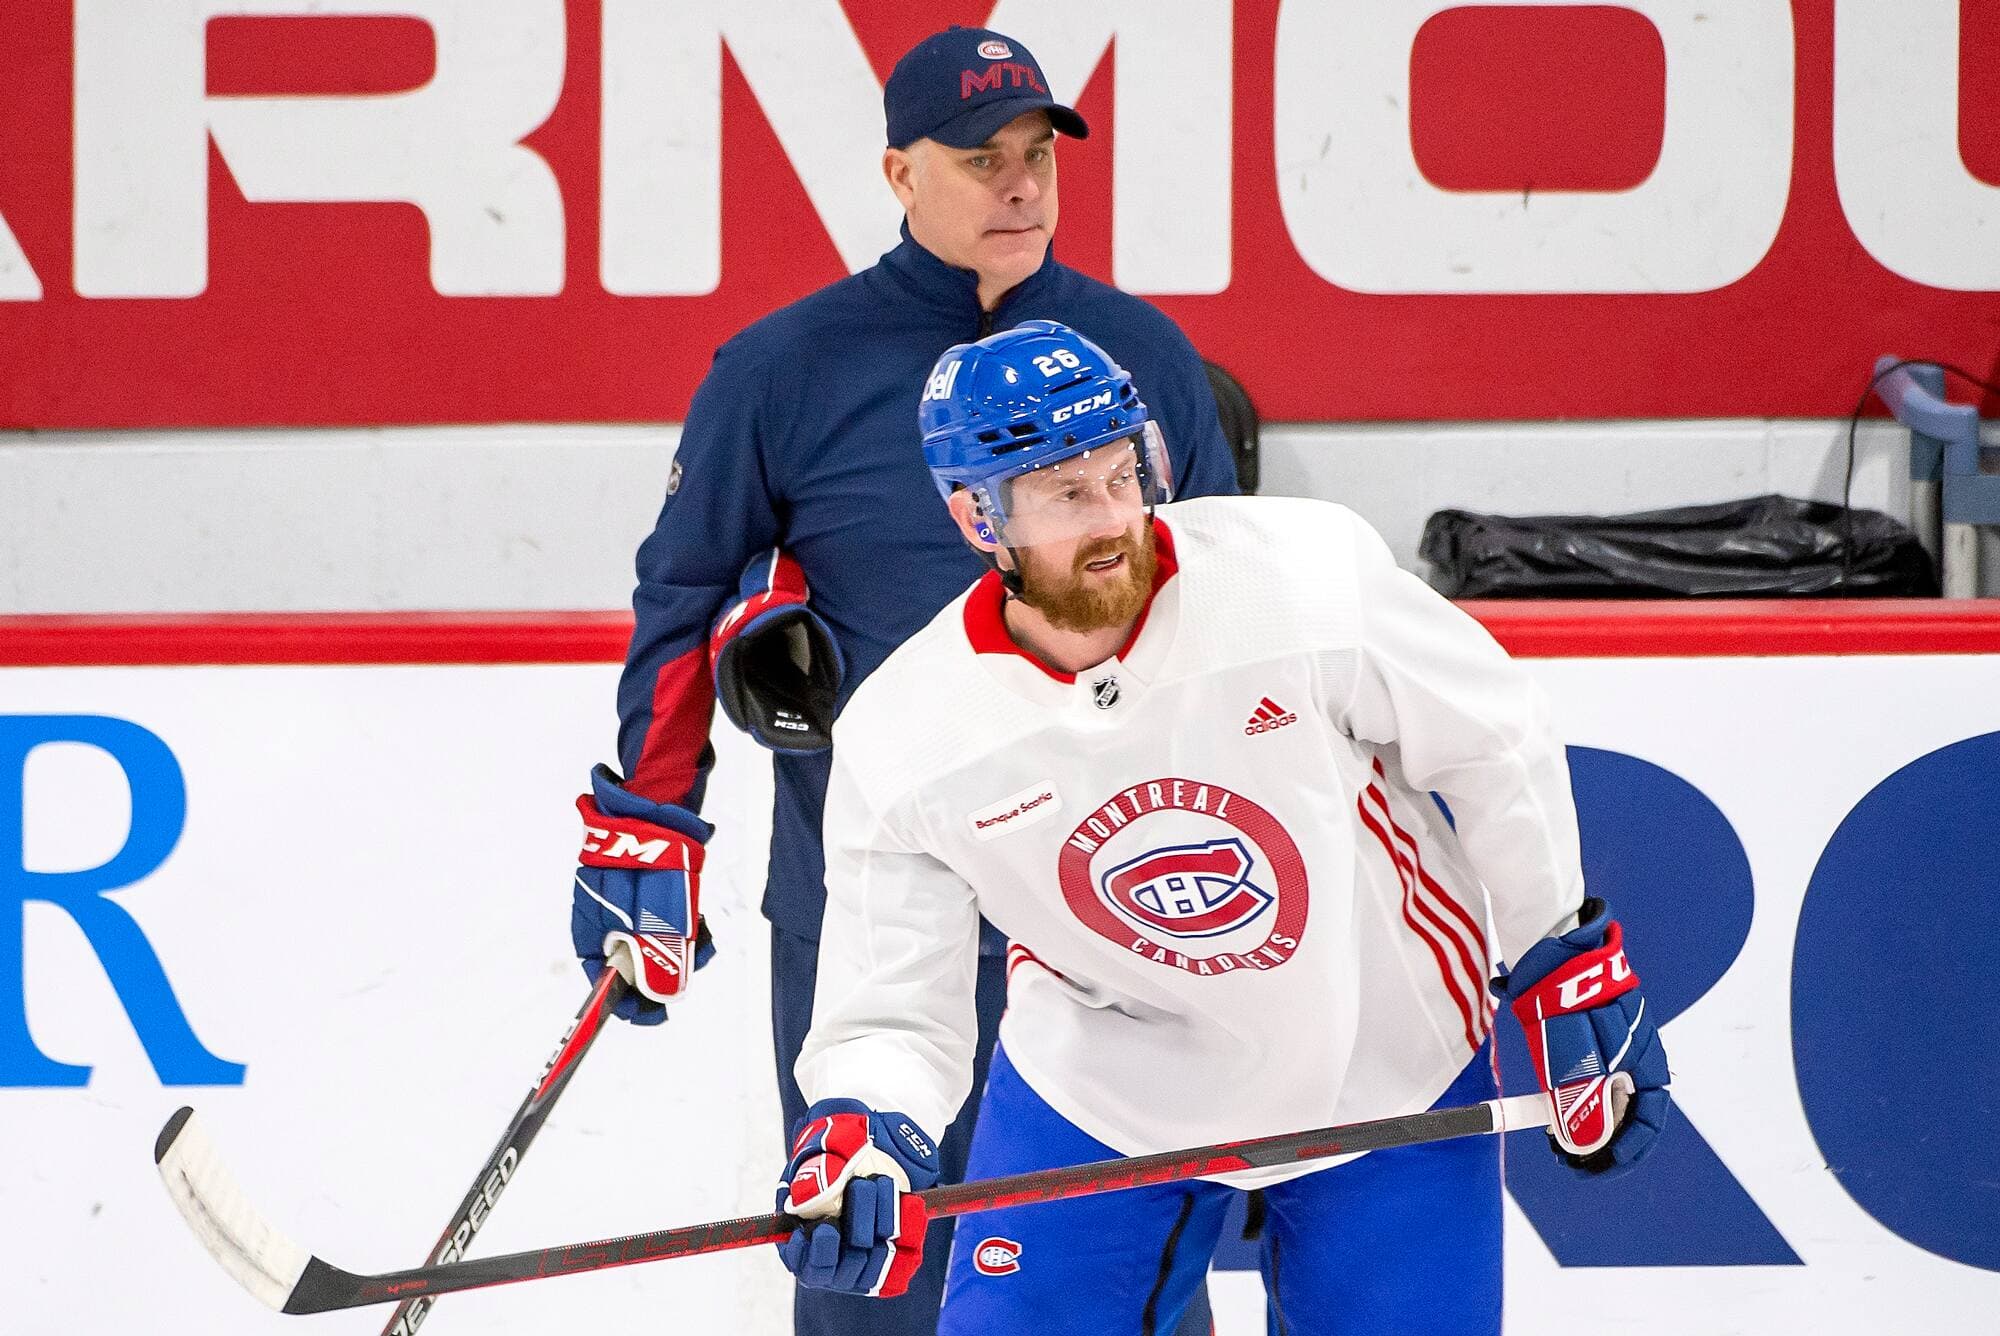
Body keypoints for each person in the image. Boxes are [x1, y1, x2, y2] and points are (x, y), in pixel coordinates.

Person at [772, 321, 1672, 1333]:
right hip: (1101, 1087)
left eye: (1122, 473)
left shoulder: (1297, 576)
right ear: (976, 516)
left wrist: (1558, 950)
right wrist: (863, 1124)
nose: (1113, 516)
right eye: (1066, 493)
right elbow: (890, 1002)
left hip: (1380, 1059)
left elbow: (1489, 735)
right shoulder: (909, 732)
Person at [566, 25, 1239, 1336]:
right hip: (865, 905)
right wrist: (649, 826)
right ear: (897, 172)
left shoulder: (1142, 360)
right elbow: (682, 601)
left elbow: (1228, 611)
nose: (1022, 185)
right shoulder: (780, 370)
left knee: (1116, 1288)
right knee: (877, 1273)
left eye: (1038, 154)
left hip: (1108, 910)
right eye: (982, 158)